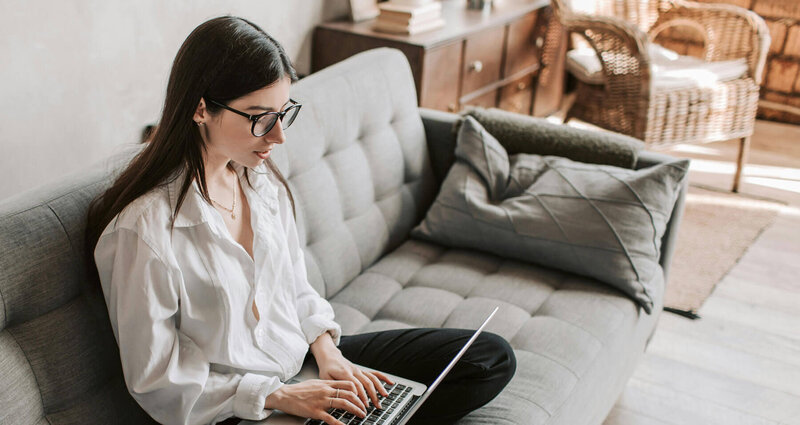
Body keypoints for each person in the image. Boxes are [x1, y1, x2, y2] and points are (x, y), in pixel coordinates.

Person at [85, 16, 515, 425]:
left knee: (487, 358)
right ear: (200, 109)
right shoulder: (144, 231)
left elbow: (294, 288)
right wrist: (279, 397)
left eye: (283, 113)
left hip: (303, 368)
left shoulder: (258, 182)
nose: (279, 136)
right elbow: (157, 379)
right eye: (260, 119)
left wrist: (330, 356)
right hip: (238, 408)